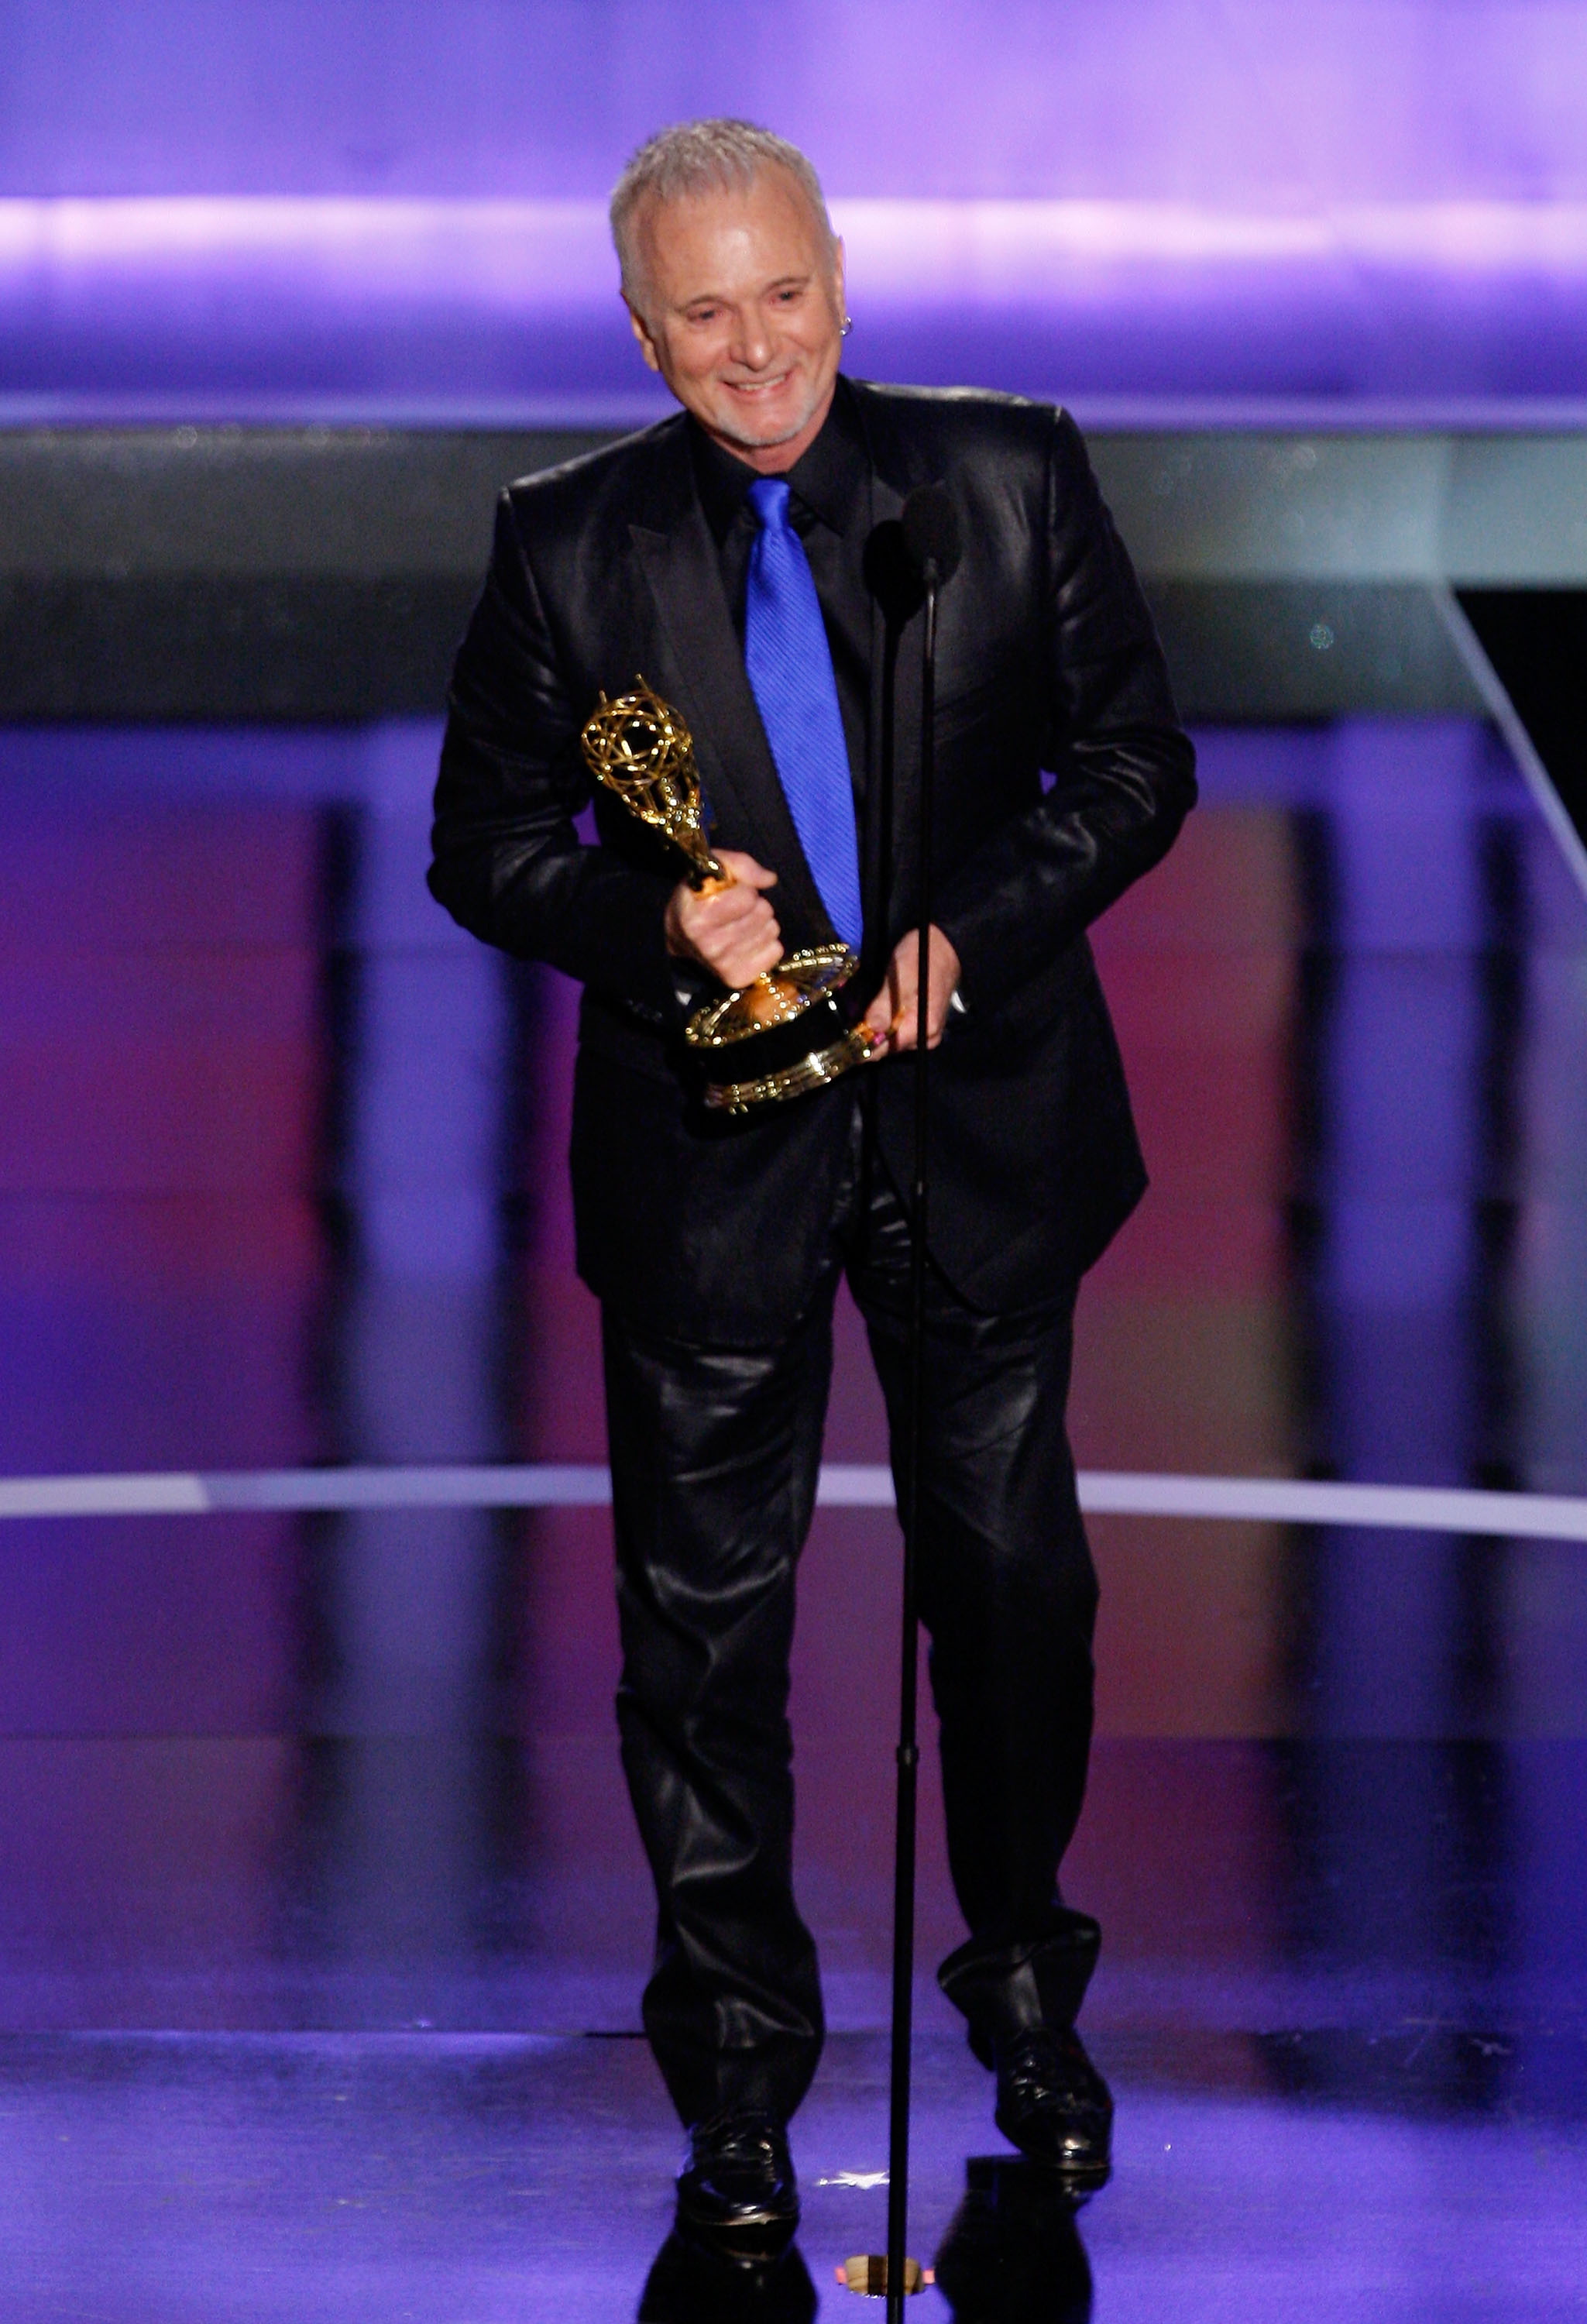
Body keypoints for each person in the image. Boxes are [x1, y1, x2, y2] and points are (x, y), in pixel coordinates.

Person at [429, 118, 1195, 2257]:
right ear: (642, 328)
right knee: (698, 1644)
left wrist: (983, 928)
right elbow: (483, 846)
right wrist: (656, 930)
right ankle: (740, 2078)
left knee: (1014, 1600)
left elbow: (1135, 759)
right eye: (702, 310)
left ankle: (1029, 2006)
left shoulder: (1005, 476)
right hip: (710, 1160)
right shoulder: (562, 545)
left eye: (783, 294)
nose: (753, 346)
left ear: (837, 281)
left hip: (978, 1130)